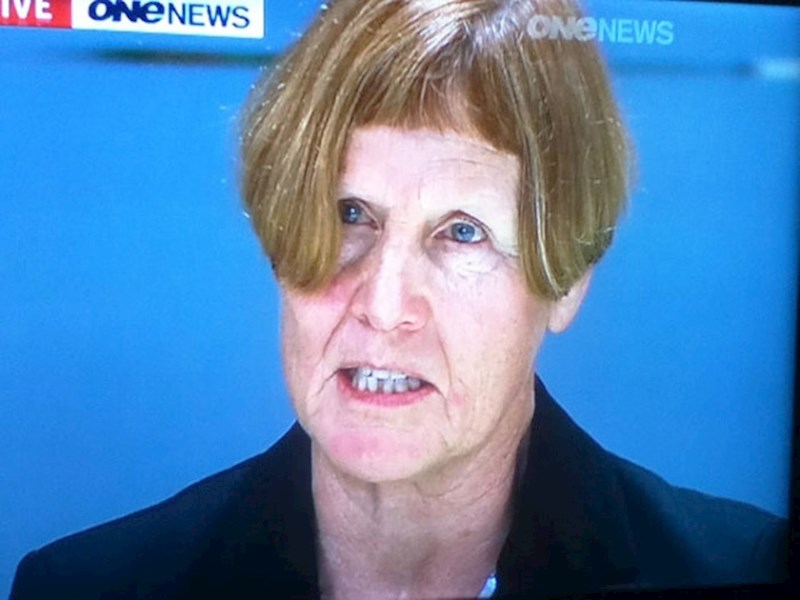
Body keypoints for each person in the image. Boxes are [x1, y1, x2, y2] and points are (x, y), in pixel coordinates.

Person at [10, 0, 787, 598]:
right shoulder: (87, 586)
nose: (383, 307)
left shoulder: (744, 570)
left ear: (568, 277)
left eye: (462, 233)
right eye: (350, 214)